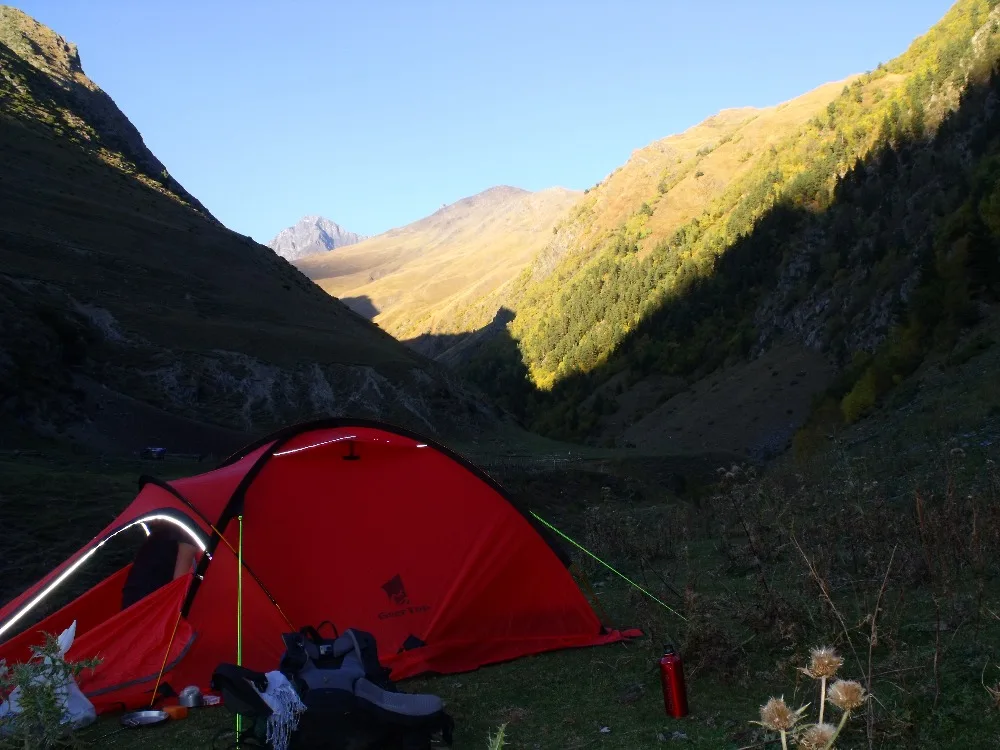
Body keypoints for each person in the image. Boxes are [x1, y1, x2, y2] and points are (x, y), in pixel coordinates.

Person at [120, 521, 198, 610]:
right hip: (146, 602)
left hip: (133, 595)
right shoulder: (189, 534)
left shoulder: (172, 524)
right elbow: (179, 584)